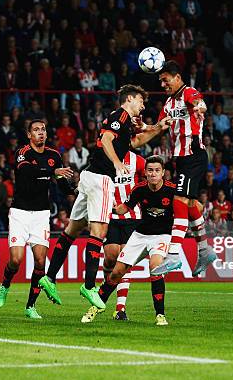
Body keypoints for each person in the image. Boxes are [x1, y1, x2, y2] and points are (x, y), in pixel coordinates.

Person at [40, 84, 168, 312]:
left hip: (88, 176)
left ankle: (49, 277)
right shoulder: (120, 115)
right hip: (101, 180)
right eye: (141, 101)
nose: (143, 105)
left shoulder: (126, 122)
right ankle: (89, 285)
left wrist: (158, 128)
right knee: (98, 232)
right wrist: (118, 164)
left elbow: (134, 143)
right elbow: (107, 139)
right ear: (129, 99)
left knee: (72, 230)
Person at [0, 119, 73, 319]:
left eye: (43, 130)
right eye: (36, 130)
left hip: (41, 214)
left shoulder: (54, 155)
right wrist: (52, 172)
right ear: (29, 135)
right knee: (16, 260)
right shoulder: (23, 153)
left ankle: (30, 306)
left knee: (39, 262)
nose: (41, 133)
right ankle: (5, 285)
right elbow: (27, 172)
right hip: (20, 212)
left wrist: (74, 191)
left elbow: (60, 182)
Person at [82, 156, 174, 326]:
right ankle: (95, 308)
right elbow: (125, 208)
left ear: (163, 173)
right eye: (150, 170)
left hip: (162, 236)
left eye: (157, 171)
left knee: (155, 267)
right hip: (140, 235)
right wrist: (109, 208)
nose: (153, 174)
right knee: (116, 272)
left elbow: (185, 210)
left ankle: (160, 315)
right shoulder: (139, 189)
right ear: (145, 172)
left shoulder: (172, 190)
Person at [153, 60, 217, 277]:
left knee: (178, 201)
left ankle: (172, 255)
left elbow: (199, 102)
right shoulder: (168, 104)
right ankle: (204, 250)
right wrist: (142, 127)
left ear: (177, 77)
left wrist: (200, 107)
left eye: (165, 80)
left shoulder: (189, 92)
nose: (163, 84)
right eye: (161, 81)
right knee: (190, 204)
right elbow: (158, 126)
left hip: (194, 155)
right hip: (180, 160)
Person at [102, 151, 145, 321]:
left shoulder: (138, 161)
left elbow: (148, 180)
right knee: (111, 257)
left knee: (124, 260)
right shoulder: (104, 159)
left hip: (132, 216)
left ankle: (120, 308)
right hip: (110, 215)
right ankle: (106, 287)